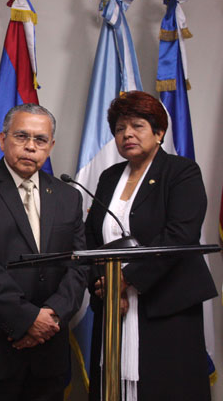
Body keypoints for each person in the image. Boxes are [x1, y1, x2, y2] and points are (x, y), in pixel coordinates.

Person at [0, 103, 87, 401]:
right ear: (2, 140)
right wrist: (28, 320)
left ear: (50, 146)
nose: (30, 147)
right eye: (21, 136)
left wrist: (51, 317)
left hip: (49, 352)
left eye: (40, 140)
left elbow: (79, 265)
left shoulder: (68, 196)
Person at [86, 91, 217, 400]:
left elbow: (179, 235)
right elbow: (92, 237)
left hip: (167, 303)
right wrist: (103, 286)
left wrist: (125, 279)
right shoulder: (108, 177)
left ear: (158, 132)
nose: (127, 134)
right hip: (113, 308)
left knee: (166, 387)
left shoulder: (181, 172)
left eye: (137, 125)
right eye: (119, 128)